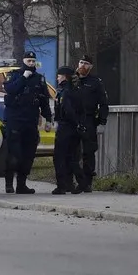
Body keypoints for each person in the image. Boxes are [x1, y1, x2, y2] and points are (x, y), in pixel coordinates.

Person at [2, 51, 53, 194]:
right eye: (28, 61)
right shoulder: (15, 75)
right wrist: (23, 78)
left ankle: (22, 185)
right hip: (15, 120)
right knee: (14, 154)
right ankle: (8, 183)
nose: (31, 64)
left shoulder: (39, 79)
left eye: (33, 61)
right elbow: (10, 89)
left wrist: (48, 119)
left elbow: (44, 101)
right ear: (23, 61)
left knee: (28, 154)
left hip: (30, 121)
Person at [72, 55, 109, 192]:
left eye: (86, 63)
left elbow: (103, 104)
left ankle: (87, 182)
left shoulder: (95, 82)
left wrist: (102, 122)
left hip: (88, 120)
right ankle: (73, 181)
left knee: (88, 152)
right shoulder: (72, 79)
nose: (83, 65)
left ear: (90, 67)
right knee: (72, 152)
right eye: (81, 62)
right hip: (73, 119)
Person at [51, 66, 86, 195]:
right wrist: (78, 124)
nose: (57, 78)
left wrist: (70, 122)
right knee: (72, 158)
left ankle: (61, 186)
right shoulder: (76, 90)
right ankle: (81, 183)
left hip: (65, 127)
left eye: (59, 76)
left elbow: (67, 110)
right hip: (74, 128)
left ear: (64, 76)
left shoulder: (64, 91)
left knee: (59, 158)